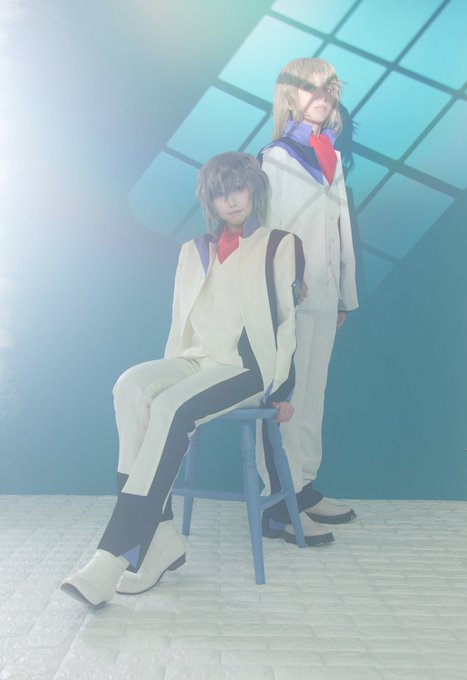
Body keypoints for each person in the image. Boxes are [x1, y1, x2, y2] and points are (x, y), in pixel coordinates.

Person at [60, 151, 304, 608]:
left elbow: (288, 321)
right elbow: (179, 321)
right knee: (130, 386)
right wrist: (168, 374)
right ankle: (163, 536)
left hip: (245, 368)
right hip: (193, 360)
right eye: (221, 193)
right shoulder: (193, 251)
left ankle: (113, 555)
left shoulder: (279, 245)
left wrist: (283, 388)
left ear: (253, 189)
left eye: (238, 188)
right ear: (210, 202)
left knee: (172, 408)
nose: (231, 201)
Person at [257, 58, 359, 546]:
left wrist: (345, 297)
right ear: (289, 96)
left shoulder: (330, 155)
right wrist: (280, 294)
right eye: (309, 88)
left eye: (328, 89)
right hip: (289, 300)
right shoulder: (275, 157)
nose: (321, 97)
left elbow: (341, 231)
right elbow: (270, 232)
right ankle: (277, 501)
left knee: (314, 393)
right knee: (287, 398)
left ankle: (304, 486)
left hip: (325, 295)